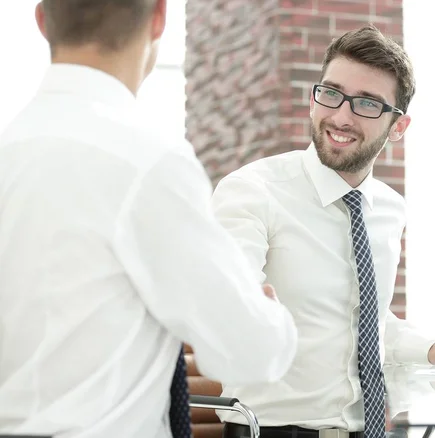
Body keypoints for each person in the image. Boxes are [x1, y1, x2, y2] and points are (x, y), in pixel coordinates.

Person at [0, 1, 297, 437]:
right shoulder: (149, 164)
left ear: (42, 20)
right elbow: (250, 353)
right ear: (160, 17)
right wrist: (265, 313)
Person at [211, 24, 435, 438]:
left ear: (398, 127)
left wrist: (432, 348)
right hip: (275, 431)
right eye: (331, 93)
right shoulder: (252, 191)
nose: (341, 116)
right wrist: (234, 301)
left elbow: (363, 319)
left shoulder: (388, 208)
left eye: (367, 103)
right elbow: (227, 298)